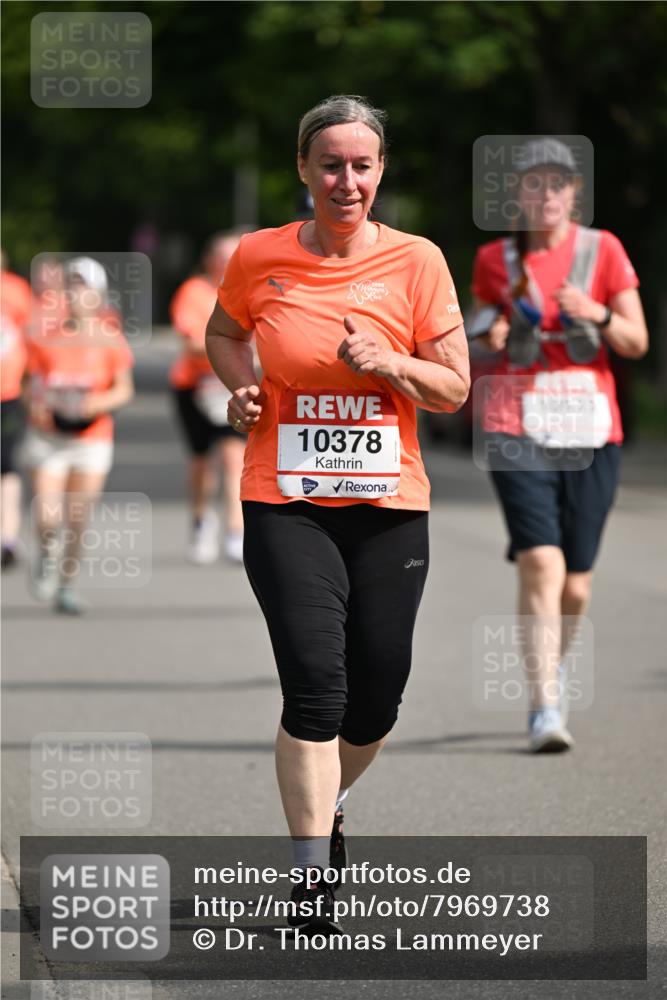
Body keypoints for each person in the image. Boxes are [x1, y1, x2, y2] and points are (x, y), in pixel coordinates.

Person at [205, 95, 470, 929]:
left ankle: (331, 802)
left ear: (379, 171)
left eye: (361, 165)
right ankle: (312, 873)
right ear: (302, 169)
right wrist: (241, 390)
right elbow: (223, 334)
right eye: (329, 165)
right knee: (316, 688)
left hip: (389, 506)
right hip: (285, 499)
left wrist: (389, 361)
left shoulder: (418, 261)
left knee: (375, 698)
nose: (345, 181)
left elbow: (453, 388)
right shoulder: (259, 254)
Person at [470, 137, 648, 752]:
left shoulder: (603, 250)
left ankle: (556, 664)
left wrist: (596, 313)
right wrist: (491, 329)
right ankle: (544, 704)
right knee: (541, 562)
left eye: (558, 183)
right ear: (517, 193)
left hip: (589, 424)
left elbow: (636, 341)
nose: (546, 194)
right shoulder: (495, 258)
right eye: (534, 183)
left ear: (574, 193)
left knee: (576, 583)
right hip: (513, 423)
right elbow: (478, 322)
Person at [23, 256, 134, 614]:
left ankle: (66, 585)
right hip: (49, 438)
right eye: (71, 287)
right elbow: (28, 383)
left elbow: (124, 389)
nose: (75, 295)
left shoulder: (110, 339)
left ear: (97, 295)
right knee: (47, 514)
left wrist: (99, 402)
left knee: (77, 518)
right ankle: (46, 553)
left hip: (92, 439)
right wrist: (34, 405)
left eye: (83, 288)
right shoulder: (46, 337)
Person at [169, 233, 247, 564]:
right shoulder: (193, 292)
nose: (228, 264)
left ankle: (235, 531)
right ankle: (201, 521)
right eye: (222, 257)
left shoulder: (250, 288)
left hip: (234, 383)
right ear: (209, 260)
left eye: (234, 257)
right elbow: (191, 343)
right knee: (202, 462)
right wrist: (227, 345)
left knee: (233, 458)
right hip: (194, 386)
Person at [1, 255, 32, 568]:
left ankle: (7, 537)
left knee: (6, 464)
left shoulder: (16, 290)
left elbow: (32, 335)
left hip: (7, 392)